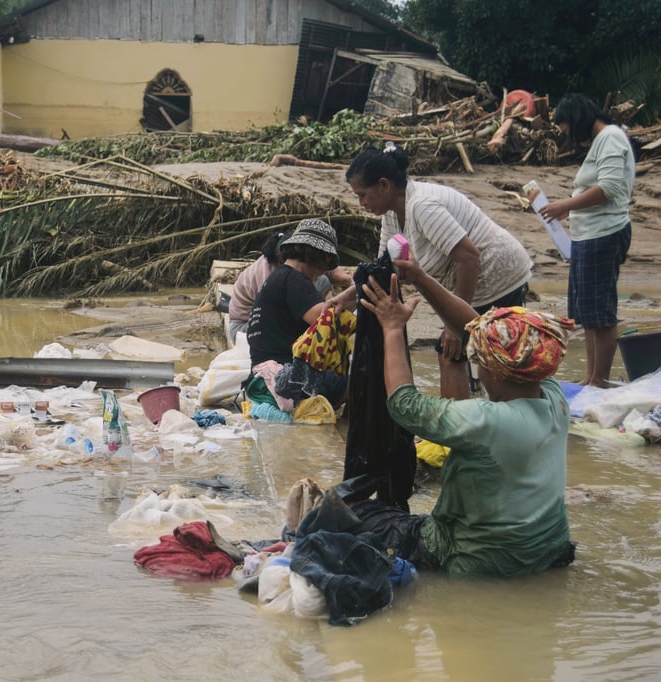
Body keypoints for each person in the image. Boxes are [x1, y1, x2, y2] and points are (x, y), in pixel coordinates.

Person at [349, 255, 575, 577]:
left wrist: (393, 328)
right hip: (548, 550)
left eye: (480, 359)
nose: (477, 364)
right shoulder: (554, 399)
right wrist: (421, 277)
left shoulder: (484, 420)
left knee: (358, 512)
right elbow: (476, 330)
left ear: (493, 371)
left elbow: (404, 404)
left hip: (475, 559)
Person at [334, 143, 533, 399]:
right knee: (453, 353)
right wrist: (347, 296)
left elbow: (469, 257)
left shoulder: (422, 206)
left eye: (362, 194)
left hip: (498, 275)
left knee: (484, 358)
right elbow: (382, 270)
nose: (361, 203)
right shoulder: (392, 214)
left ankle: (465, 428)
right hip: (472, 282)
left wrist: (455, 326)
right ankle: (459, 428)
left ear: (384, 185)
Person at [539, 93, 635, 388]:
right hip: (588, 235)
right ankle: (592, 376)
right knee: (588, 312)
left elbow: (608, 188)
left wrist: (566, 205)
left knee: (601, 312)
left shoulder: (610, 138)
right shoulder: (601, 141)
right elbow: (598, 190)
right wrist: (571, 208)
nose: (566, 132)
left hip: (604, 234)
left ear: (578, 118)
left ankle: (600, 379)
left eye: (566, 125)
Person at [244, 219, 348, 417]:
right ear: (316, 256)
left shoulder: (278, 277)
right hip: (284, 377)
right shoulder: (294, 280)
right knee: (362, 380)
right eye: (324, 264)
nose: (322, 272)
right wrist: (352, 295)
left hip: (261, 375)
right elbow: (324, 319)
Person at [226, 231, 351, 347]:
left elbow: (331, 271)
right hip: (245, 327)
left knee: (323, 280)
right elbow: (321, 318)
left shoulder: (287, 267)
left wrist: (349, 281)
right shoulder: (271, 276)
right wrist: (350, 295)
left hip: (266, 319)